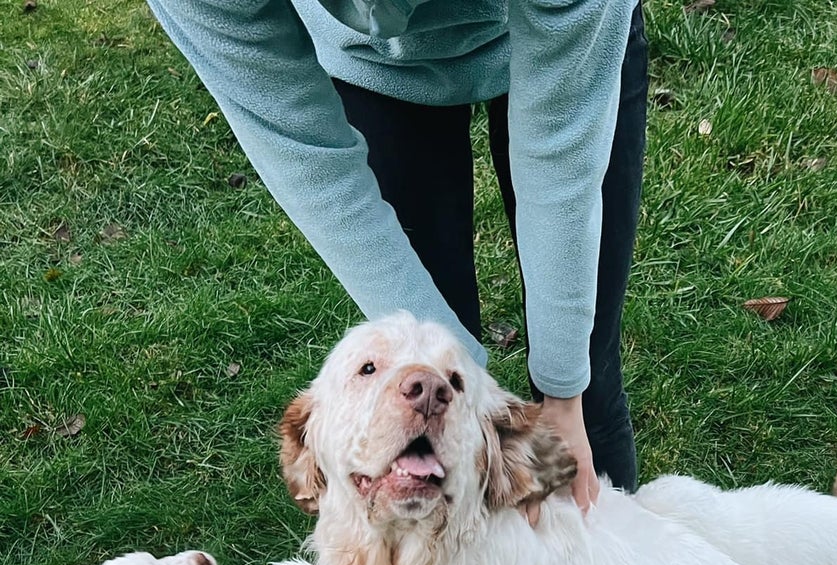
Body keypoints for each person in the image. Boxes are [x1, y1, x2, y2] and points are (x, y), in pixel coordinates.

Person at [148, 0, 649, 509]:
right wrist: (461, 380)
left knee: (587, 387)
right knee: (425, 395)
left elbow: (560, 153)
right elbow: (306, 156)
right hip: (371, 70)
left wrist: (564, 395)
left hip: (570, 40)